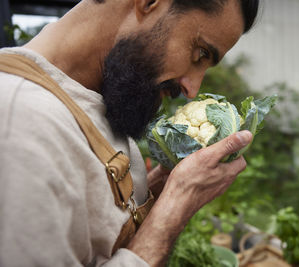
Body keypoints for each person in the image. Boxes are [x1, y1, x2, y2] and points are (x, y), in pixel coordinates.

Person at [0, 0, 259, 266]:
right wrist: (174, 210)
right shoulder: (15, 122)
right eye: (200, 53)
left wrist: (161, 188)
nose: (192, 90)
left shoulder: (97, 99)